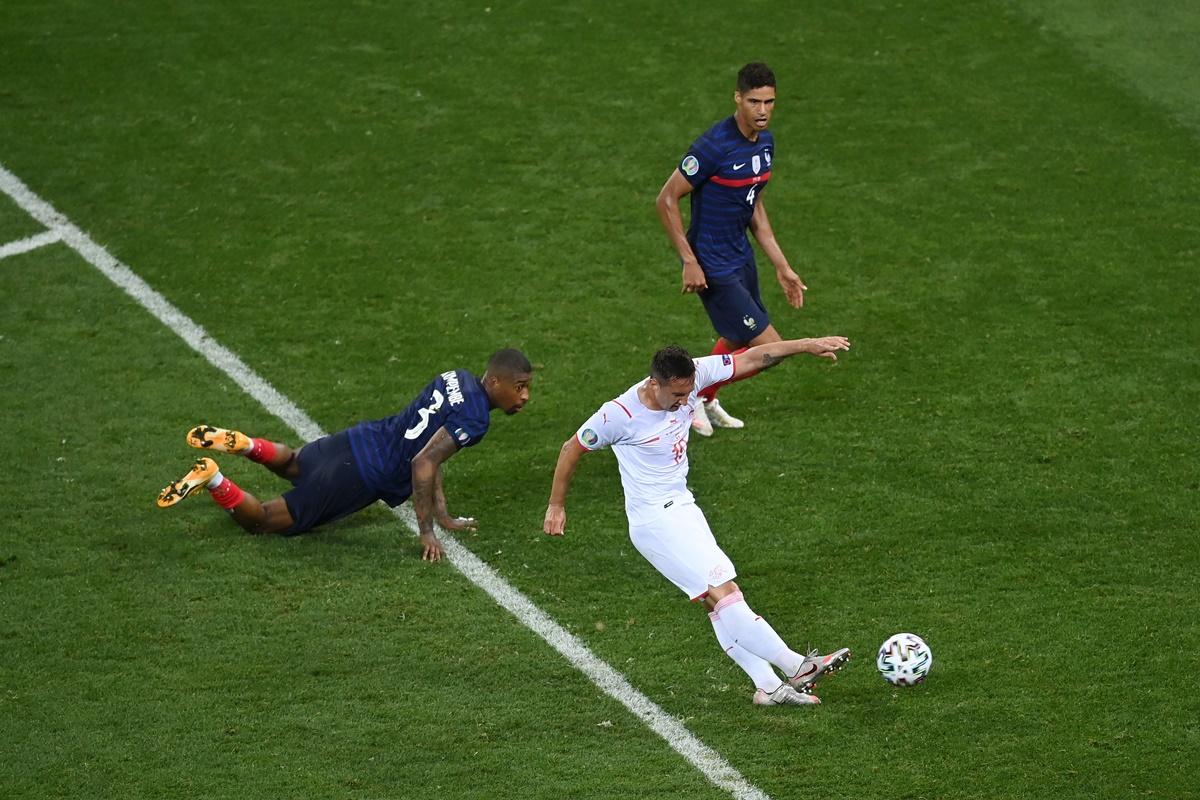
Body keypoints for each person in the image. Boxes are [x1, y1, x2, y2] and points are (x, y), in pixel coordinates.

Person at [543, 338, 851, 706]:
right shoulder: (618, 415)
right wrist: (556, 506)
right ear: (654, 383)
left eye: (688, 392)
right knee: (726, 592)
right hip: (656, 520)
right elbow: (571, 448)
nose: (683, 401)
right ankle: (797, 664)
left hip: (681, 507)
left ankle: (767, 686)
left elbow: (752, 357)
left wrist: (807, 345)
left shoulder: (693, 375)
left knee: (716, 602)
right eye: (676, 394)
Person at [157, 348, 533, 561]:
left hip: (358, 438)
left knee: (293, 464)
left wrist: (444, 512)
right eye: (519, 387)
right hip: (360, 476)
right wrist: (427, 531)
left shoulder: (458, 378)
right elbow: (424, 461)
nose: (524, 397)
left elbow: (432, 450)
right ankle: (214, 478)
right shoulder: (476, 417)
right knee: (265, 521)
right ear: (495, 381)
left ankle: (246, 444)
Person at [656, 62, 808, 437]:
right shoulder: (713, 146)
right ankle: (690, 396)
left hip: (740, 254)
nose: (762, 110)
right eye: (754, 101)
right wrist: (690, 262)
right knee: (772, 348)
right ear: (737, 98)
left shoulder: (766, 143)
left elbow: (753, 205)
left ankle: (704, 396)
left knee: (739, 338)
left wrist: (781, 265)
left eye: (769, 102)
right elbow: (666, 199)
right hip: (711, 261)